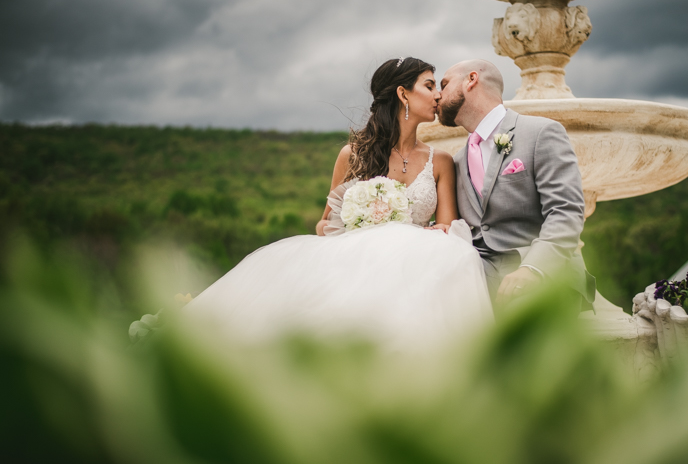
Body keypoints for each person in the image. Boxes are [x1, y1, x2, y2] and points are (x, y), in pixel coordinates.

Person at [184, 57, 493, 350]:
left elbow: (447, 227)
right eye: (429, 86)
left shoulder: (439, 161)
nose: (438, 95)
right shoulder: (353, 154)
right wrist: (363, 222)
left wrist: (403, 237)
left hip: (412, 272)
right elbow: (324, 224)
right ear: (403, 94)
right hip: (357, 264)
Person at [437, 59, 596, 309]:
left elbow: (566, 211)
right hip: (477, 278)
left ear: (471, 80)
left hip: (544, 276)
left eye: (444, 84)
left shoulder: (541, 133)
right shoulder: (455, 162)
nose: (438, 95)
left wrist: (533, 269)